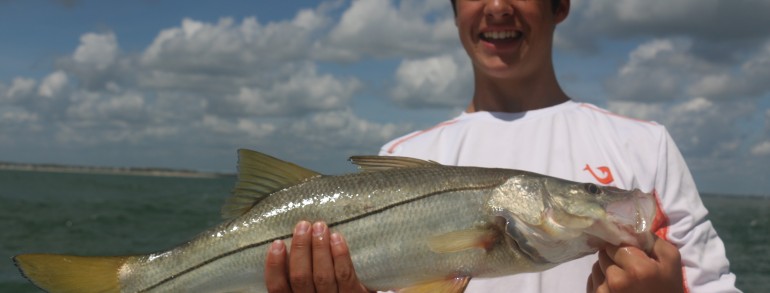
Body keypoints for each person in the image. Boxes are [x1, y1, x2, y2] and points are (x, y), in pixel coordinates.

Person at [263, 0, 741, 292]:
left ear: (560, 5)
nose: (496, 6)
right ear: (454, 10)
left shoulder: (645, 145)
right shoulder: (399, 156)